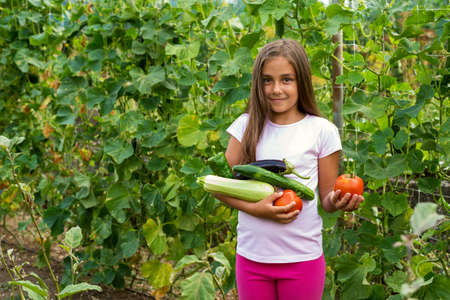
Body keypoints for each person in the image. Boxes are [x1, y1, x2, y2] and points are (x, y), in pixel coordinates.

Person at [214, 39, 364, 300]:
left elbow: (327, 200)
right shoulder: (245, 126)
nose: (276, 89)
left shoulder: (321, 131)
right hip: (252, 259)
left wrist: (340, 200)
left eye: (286, 80)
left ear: (302, 82)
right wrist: (256, 209)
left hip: (302, 259)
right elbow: (220, 187)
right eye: (267, 80)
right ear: (257, 84)